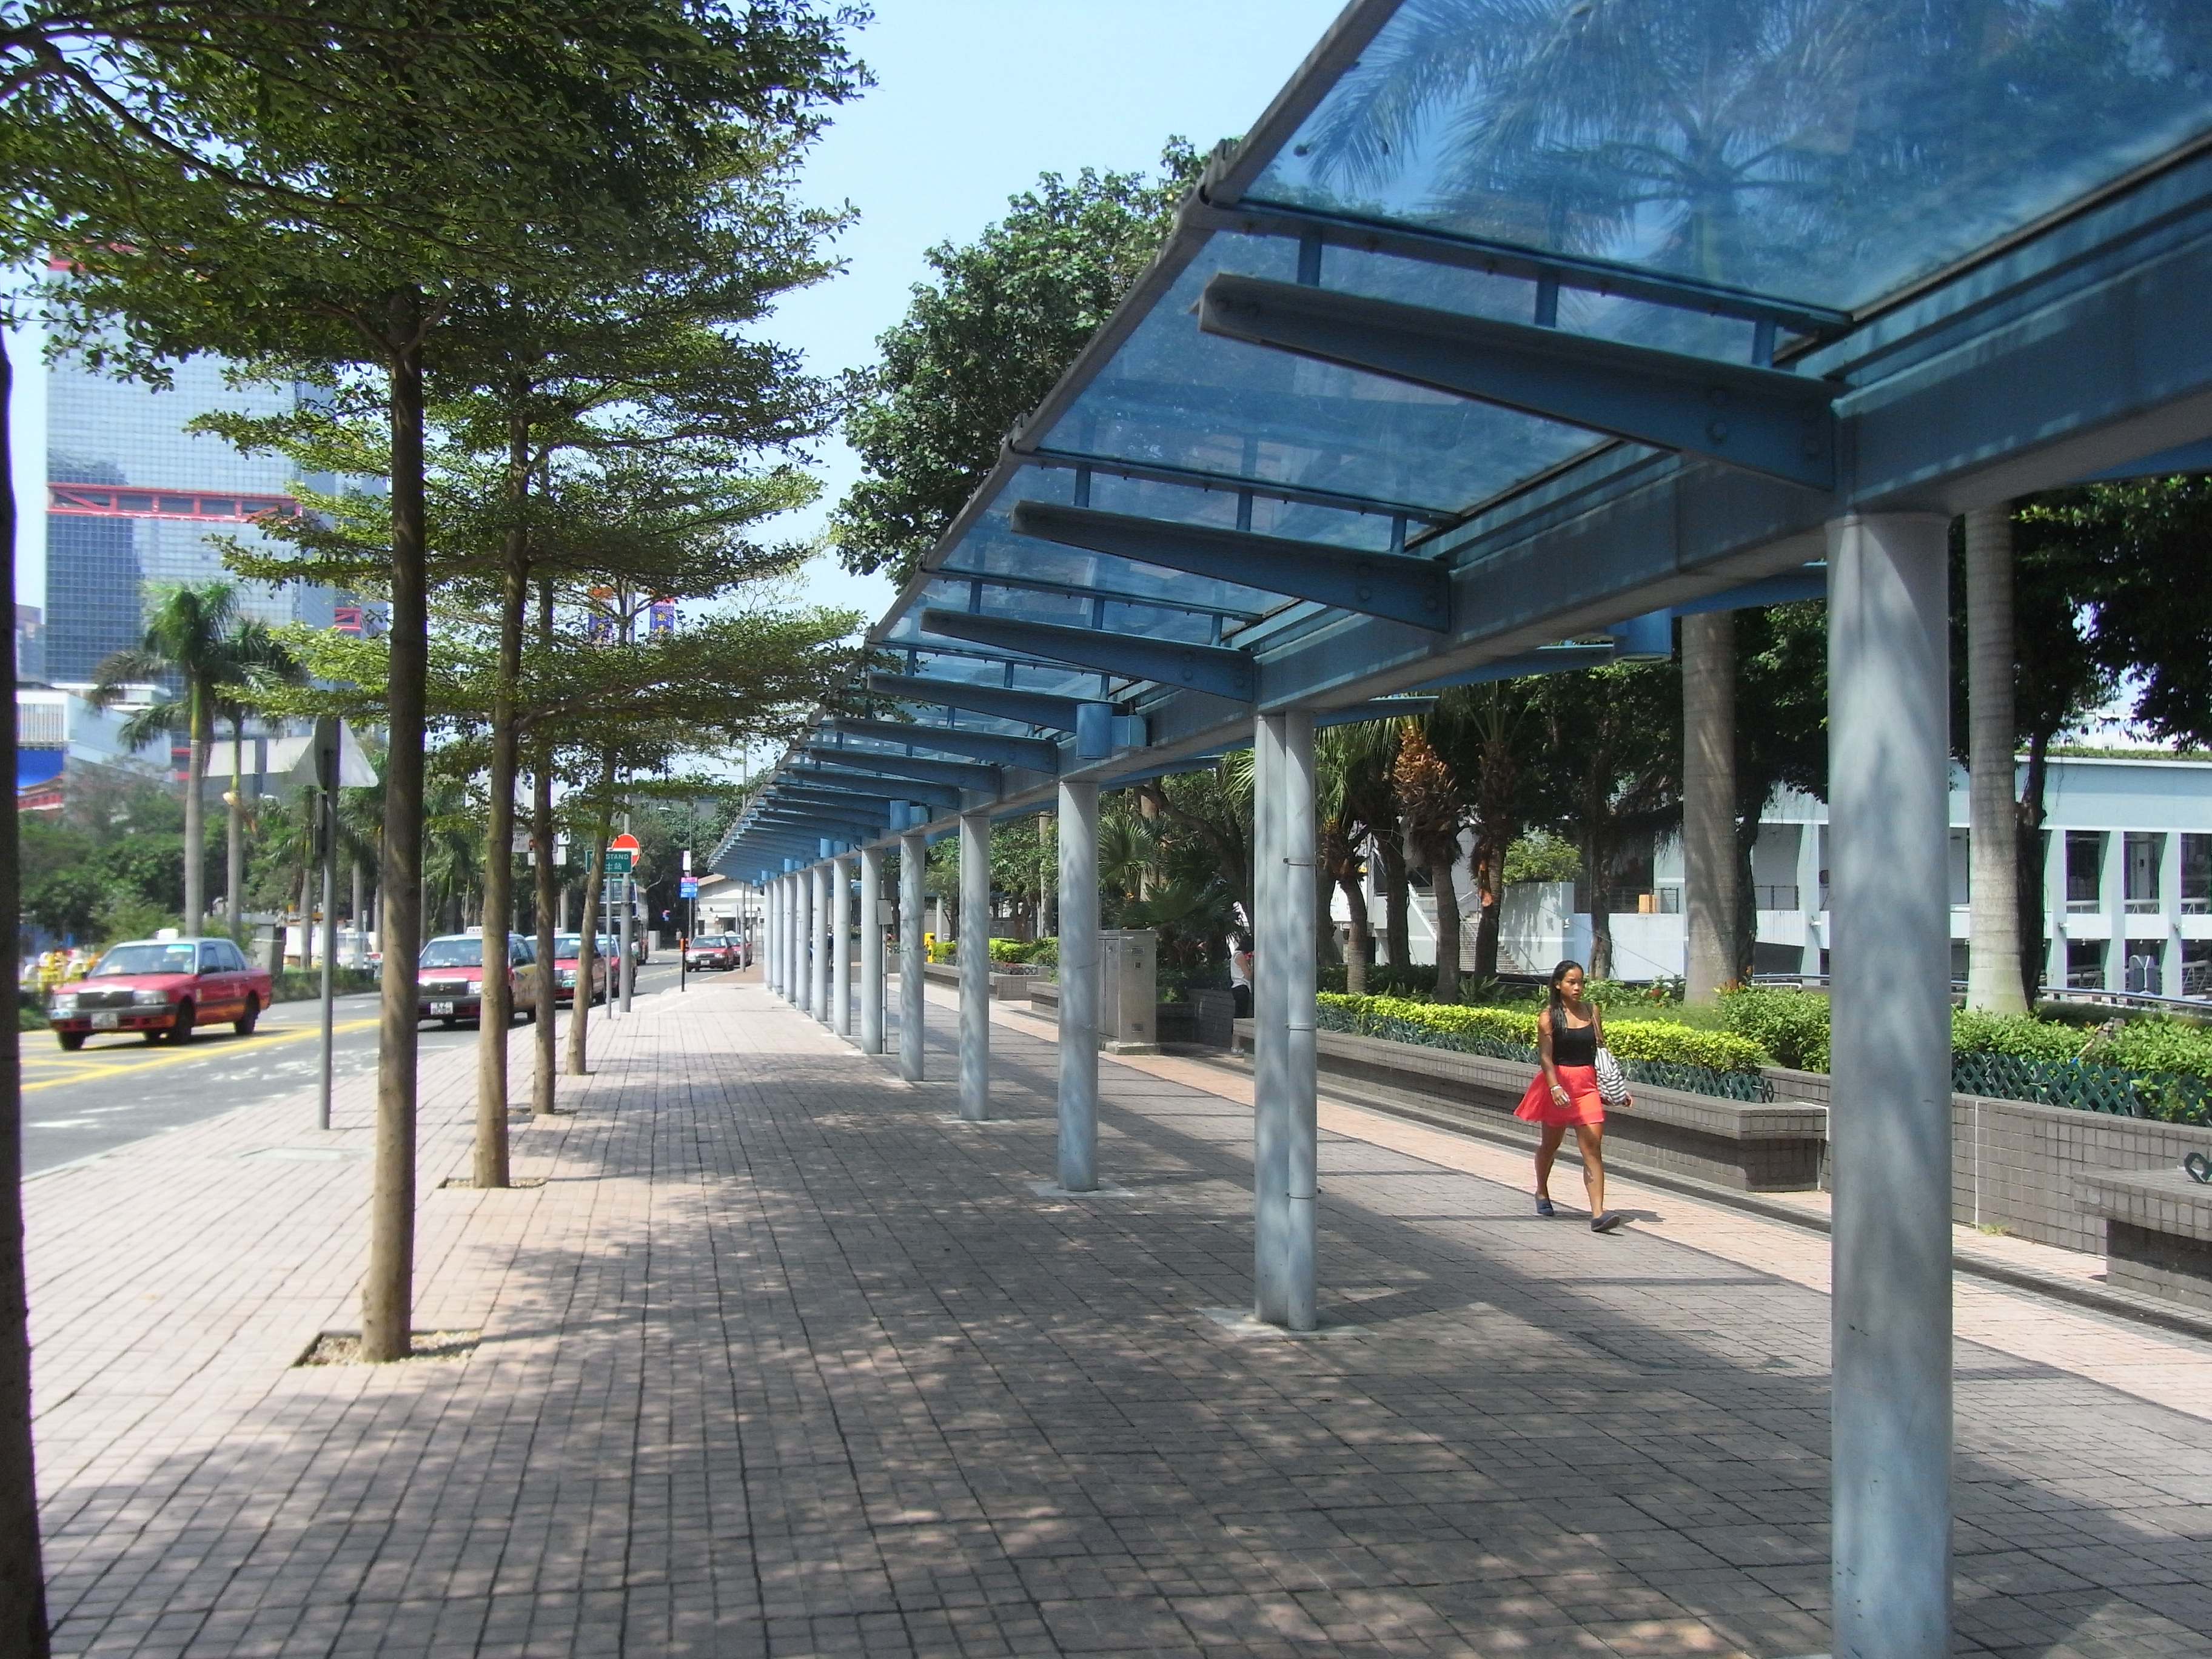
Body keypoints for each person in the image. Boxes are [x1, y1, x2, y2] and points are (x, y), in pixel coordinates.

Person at [1513, 959, 1628, 1232]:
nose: (1578, 988)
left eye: (1581, 983)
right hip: (1559, 1085)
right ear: (1558, 984)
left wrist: (1615, 1088)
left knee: (1593, 1148)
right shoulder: (1548, 1016)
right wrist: (1554, 1087)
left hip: (1587, 1084)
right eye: (1571, 982)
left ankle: (1598, 1214)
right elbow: (1545, 1057)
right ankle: (1541, 1190)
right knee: (1550, 1145)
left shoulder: (1592, 1011)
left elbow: (1601, 1051)